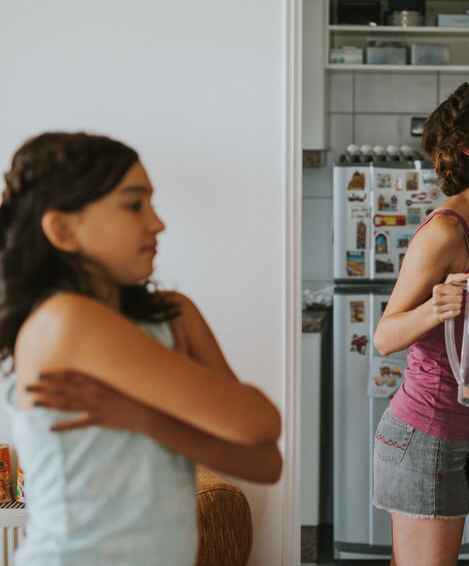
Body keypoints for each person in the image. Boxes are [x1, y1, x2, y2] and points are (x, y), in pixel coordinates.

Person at [0, 131, 282, 565]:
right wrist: (165, 423)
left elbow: (266, 460)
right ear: (62, 228)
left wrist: (144, 418)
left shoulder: (173, 315)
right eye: (134, 204)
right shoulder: (65, 319)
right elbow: (258, 420)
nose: (157, 222)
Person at [370, 79, 469, 566]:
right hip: (422, 434)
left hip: (451, 433)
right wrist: (433, 309)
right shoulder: (445, 230)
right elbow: (384, 336)